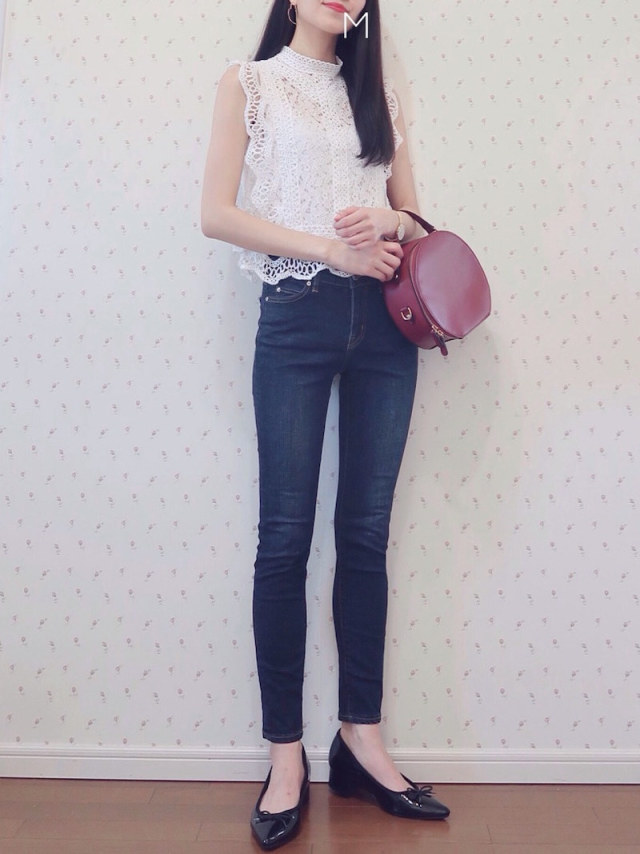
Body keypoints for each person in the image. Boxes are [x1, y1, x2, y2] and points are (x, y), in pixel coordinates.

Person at [201, 0, 450, 848]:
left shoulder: (379, 95)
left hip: (386, 324)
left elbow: (416, 216)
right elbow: (216, 213)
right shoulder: (250, 84)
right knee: (283, 538)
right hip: (297, 315)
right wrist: (331, 248)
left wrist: (390, 221)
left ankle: (360, 740)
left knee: (366, 535)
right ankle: (285, 756)